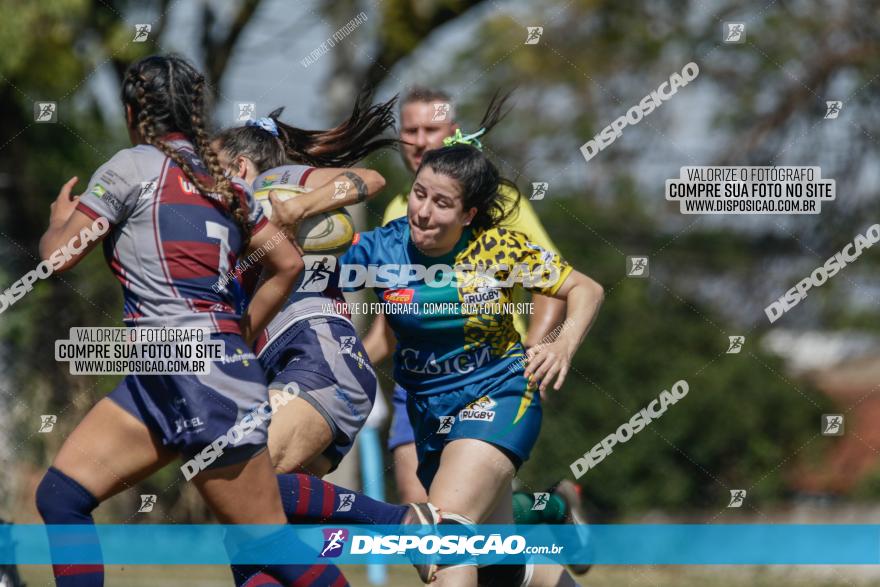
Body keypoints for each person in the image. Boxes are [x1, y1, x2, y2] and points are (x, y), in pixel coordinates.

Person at [33, 54, 348, 587]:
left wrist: (57, 221)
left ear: (135, 113)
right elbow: (288, 263)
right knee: (62, 495)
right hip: (173, 369)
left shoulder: (131, 166)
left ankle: (399, 525)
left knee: (266, 539)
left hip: (192, 372)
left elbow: (57, 260)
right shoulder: (227, 184)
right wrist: (238, 333)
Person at [338, 92, 604, 586]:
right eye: (420, 194)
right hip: (425, 407)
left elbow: (584, 288)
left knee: (442, 540)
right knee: (494, 562)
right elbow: (313, 275)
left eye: (442, 204)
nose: (423, 212)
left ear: (469, 214)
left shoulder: (498, 243)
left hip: (498, 392)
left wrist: (558, 345)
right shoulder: (385, 243)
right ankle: (549, 529)